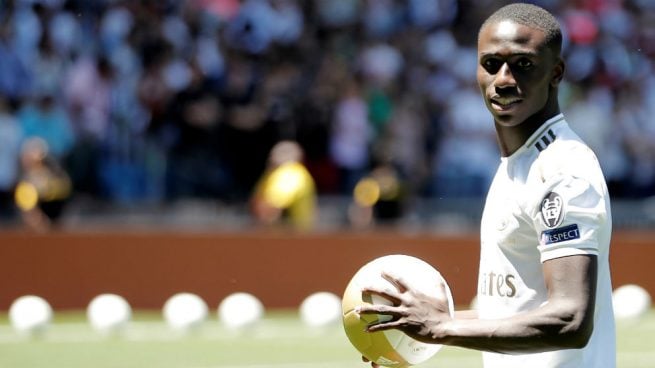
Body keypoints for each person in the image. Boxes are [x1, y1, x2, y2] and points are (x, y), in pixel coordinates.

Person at [357, 4, 615, 368]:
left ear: (556, 72)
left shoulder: (562, 169)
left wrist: (442, 328)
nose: (504, 79)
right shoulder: (520, 163)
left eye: (523, 65)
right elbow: (517, 309)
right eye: (491, 64)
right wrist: (410, 327)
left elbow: (570, 319)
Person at [250, 140, 317, 231]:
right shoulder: (273, 174)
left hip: (292, 235)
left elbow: (270, 207)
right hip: (292, 234)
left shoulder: (292, 173)